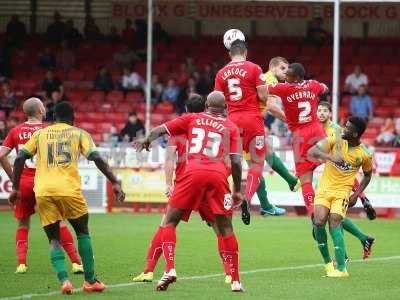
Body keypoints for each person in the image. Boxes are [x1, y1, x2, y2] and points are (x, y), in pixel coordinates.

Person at [9, 101, 125, 294]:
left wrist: (15, 188)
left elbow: (20, 158)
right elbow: (96, 157)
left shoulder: (40, 134)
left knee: (53, 239)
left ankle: (64, 281)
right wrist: (115, 181)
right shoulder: (79, 133)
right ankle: (90, 281)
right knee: (82, 233)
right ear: (73, 118)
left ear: (53, 118)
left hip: (44, 192)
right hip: (69, 191)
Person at [136, 91, 244, 292]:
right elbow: (236, 161)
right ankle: (235, 280)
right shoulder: (231, 126)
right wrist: (237, 190)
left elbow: (160, 129)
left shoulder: (192, 118)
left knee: (169, 221)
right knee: (225, 228)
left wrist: (146, 140)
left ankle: (169, 268)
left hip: (191, 173)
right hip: (218, 175)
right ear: (225, 108)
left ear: (206, 107)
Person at [0, 98, 83, 274]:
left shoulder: (15, 131)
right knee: (57, 222)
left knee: (23, 223)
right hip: (44, 181)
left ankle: (21, 264)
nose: (45, 108)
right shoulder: (47, 129)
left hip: (23, 182)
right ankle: (76, 262)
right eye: (43, 106)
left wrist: (15, 177)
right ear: (39, 110)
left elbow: (1, 155)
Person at [214, 39, 285, 225]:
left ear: (230, 54)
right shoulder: (254, 68)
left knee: (227, 163)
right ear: (245, 53)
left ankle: (214, 202)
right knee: (256, 164)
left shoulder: (221, 73)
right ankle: (247, 198)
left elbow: (217, 101)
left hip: (231, 121)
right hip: (252, 120)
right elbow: (263, 96)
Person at [308, 116, 373, 277]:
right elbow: (312, 151)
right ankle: (328, 264)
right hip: (324, 189)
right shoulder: (335, 139)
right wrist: (330, 157)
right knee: (318, 221)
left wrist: (357, 195)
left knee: (335, 220)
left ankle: (342, 268)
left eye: (348, 127)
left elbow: (367, 175)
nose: (343, 129)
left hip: (342, 192)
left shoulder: (364, 154)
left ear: (356, 134)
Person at [266, 63, 328, 216]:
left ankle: (313, 213)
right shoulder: (313, 85)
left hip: (300, 136)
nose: (285, 77)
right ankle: (360, 195)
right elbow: (324, 88)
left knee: (305, 179)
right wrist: (317, 88)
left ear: (297, 77)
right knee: (335, 162)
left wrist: (268, 76)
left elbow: (263, 89)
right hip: (317, 130)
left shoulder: (284, 88)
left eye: (289, 75)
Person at [317, 101, 375, 256]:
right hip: (326, 180)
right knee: (323, 219)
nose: (320, 113)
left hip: (337, 185)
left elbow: (352, 169)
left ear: (330, 113)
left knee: (329, 219)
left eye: (324, 110)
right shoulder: (314, 127)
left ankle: (343, 257)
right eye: (318, 110)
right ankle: (363, 238)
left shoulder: (336, 131)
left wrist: (359, 196)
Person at [255, 56, 301, 216]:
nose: (285, 72)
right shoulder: (270, 80)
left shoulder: (264, 78)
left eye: (287, 69)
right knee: (256, 166)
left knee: (266, 154)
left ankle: (290, 181)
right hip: (249, 125)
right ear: (272, 67)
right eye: (282, 68)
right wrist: (291, 122)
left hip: (248, 123)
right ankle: (265, 204)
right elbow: (272, 107)